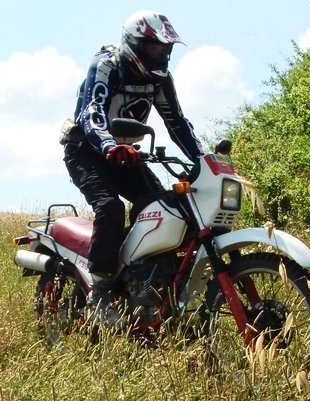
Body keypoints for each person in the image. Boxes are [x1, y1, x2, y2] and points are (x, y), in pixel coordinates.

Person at [61, 10, 204, 324]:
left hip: (127, 155)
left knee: (164, 210)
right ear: (133, 44)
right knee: (109, 206)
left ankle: (139, 282)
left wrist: (204, 160)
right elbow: (92, 112)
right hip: (87, 151)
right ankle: (98, 296)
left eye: (164, 49)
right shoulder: (106, 65)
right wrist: (109, 145)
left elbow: (176, 123)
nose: (161, 55)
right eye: (154, 48)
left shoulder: (160, 79)